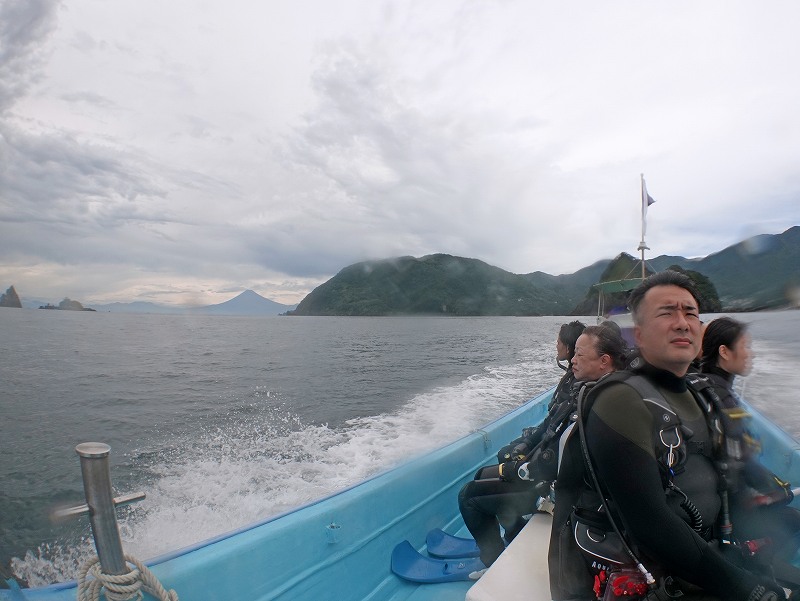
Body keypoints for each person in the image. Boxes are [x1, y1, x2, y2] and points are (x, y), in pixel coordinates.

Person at [549, 271, 791, 601]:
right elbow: (651, 523)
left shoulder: (701, 392)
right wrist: (744, 586)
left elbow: (728, 476)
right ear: (641, 334)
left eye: (690, 313)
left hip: (703, 549)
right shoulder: (620, 400)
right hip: (649, 568)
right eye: (666, 313)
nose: (681, 322)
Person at [459, 322, 627, 579]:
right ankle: (512, 537)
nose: (573, 360)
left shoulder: (597, 403)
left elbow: (559, 459)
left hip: (560, 495)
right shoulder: (592, 391)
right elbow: (552, 430)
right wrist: (524, 449)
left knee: (469, 496)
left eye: (579, 354)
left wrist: (519, 467)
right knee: (488, 475)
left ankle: (495, 563)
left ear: (604, 361)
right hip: (558, 486)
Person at [701, 317, 800, 572]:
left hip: (706, 502)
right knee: (792, 521)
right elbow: (743, 463)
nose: (751, 354)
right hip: (725, 512)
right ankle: (759, 570)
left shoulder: (700, 386)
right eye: (745, 346)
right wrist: (782, 491)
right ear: (724, 352)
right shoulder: (722, 398)